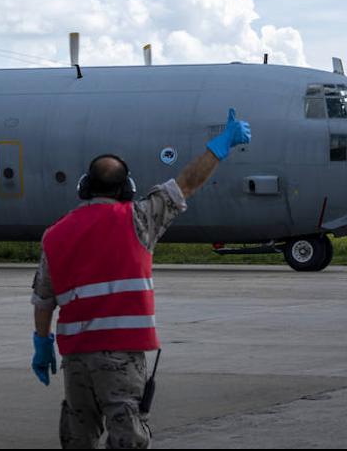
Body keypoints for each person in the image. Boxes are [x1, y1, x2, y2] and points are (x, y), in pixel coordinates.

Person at [30, 109, 252, 449]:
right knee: (127, 436)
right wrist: (220, 146)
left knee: (78, 434)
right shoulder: (139, 219)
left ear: (84, 187)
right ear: (127, 189)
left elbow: (44, 300)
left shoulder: (55, 235)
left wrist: (42, 345)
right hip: (121, 354)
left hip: (76, 357)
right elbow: (188, 183)